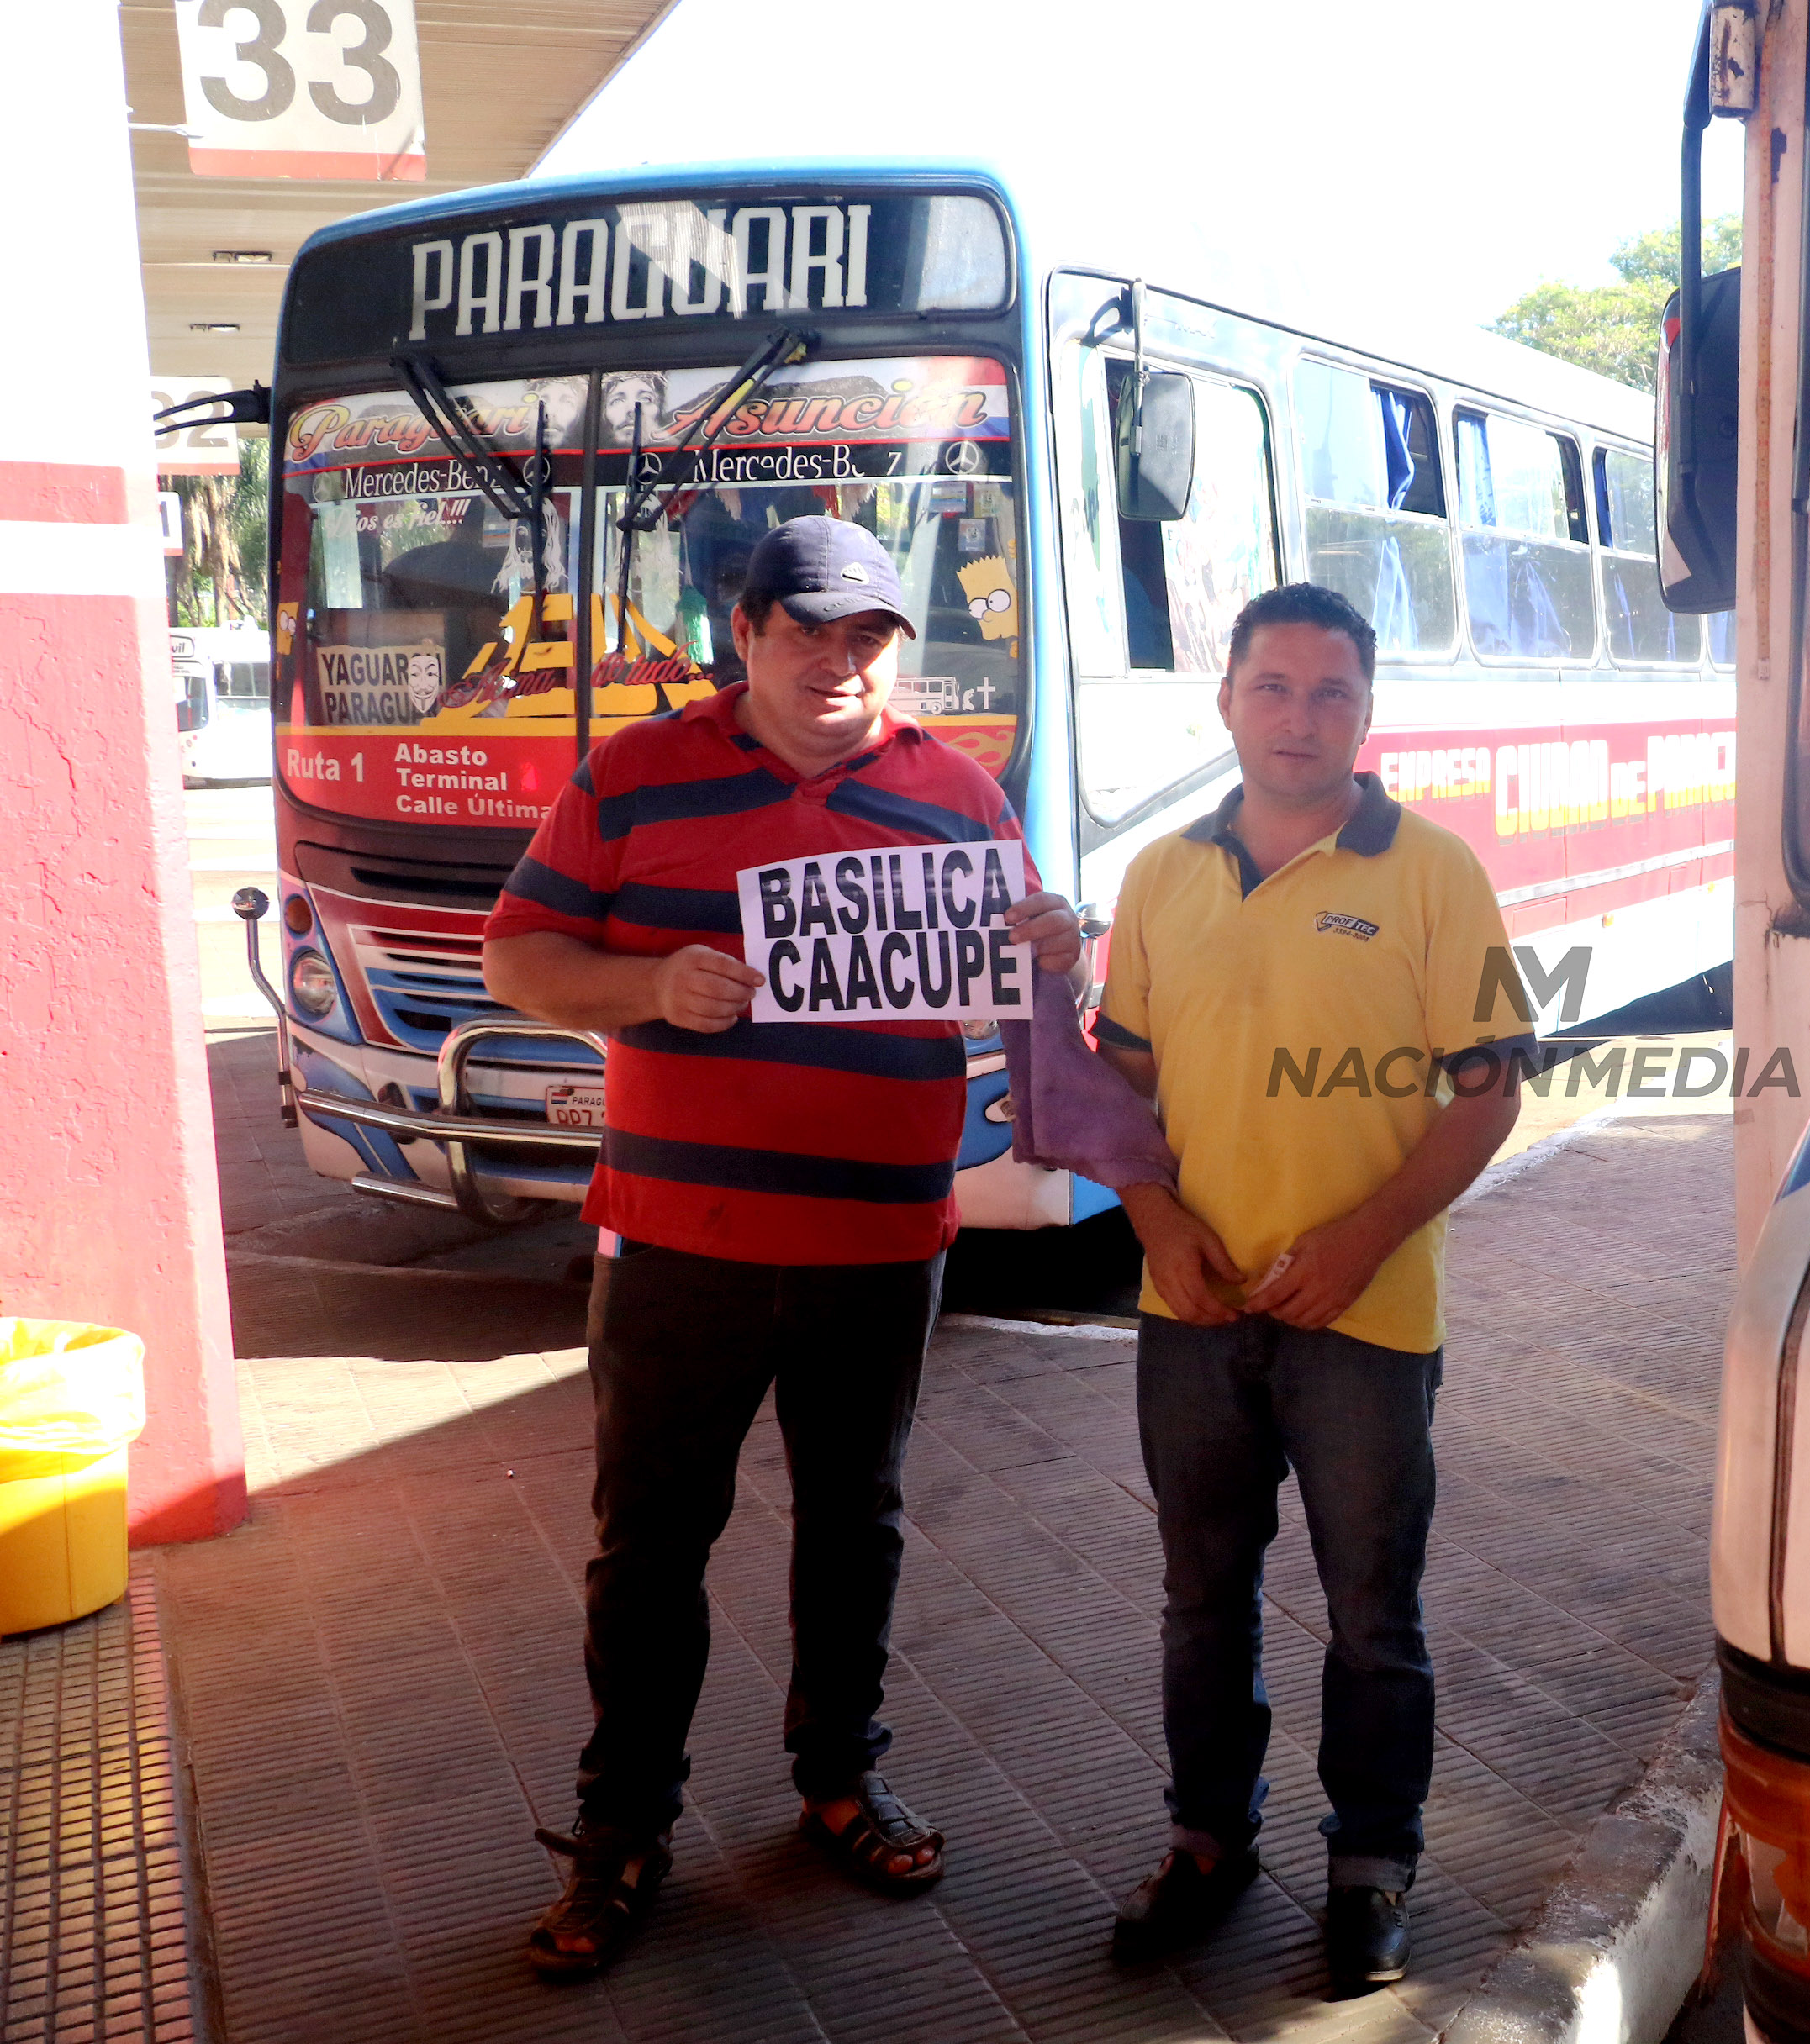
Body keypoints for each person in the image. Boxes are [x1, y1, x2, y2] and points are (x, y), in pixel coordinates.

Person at [483, 517, 1087, 1980]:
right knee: (650, 1544)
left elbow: (1019, 1002)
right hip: (678, 1241)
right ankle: (622, 1828)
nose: (836, 660)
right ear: (741, 630)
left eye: (866, 636)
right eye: (806, 629)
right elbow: (518, 955)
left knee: (855, 1522)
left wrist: (1060, 949)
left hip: (880, 1242)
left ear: (896, 648)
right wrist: (646, 984)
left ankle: (837, 1775)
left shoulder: (959, 796)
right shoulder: (632, 776)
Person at [1096, 582, 1534, 1994]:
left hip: (1368, 1319)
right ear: (1224, 701)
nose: (1300, 717)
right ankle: (1209, 1839)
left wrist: (1361, 1240)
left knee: (1371, 1609)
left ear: (1366, 714)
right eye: (1273, 687)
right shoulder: (1160, 875)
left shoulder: (1432, 872)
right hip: (1194, 1317)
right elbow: (1123, 1086)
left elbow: (1485, 1095)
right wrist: (1156, 1226)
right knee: (1200, 1599)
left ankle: (1371, 1863)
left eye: (1331, 692)